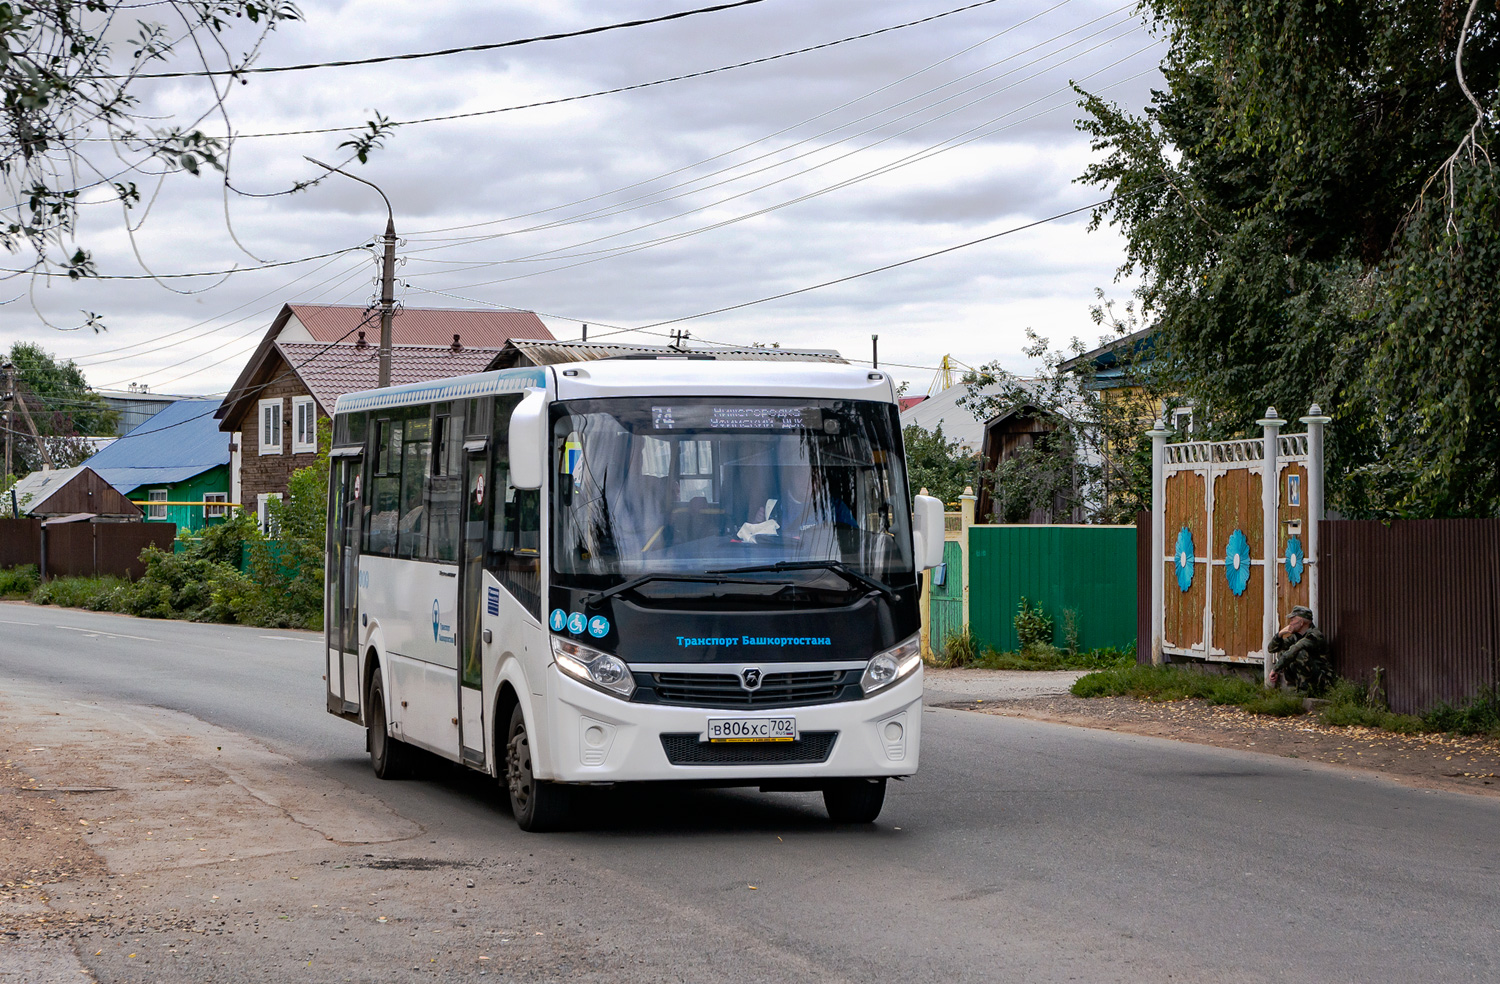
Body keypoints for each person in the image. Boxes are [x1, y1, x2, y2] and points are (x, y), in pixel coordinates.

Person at [1267, 605, 1333, 695]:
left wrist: (1275, 669)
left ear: (1301, 622)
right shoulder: (1295, 637)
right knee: (1283, 653)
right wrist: (1280, 634)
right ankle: (1294, 688)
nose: (1290, 623)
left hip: (1322, 679)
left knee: (1298, 653)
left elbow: (1295, 649)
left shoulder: (1314, 635)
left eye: (1292, 620)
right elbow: (1272, 649)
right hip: (1308, 677)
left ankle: (1307, 691)